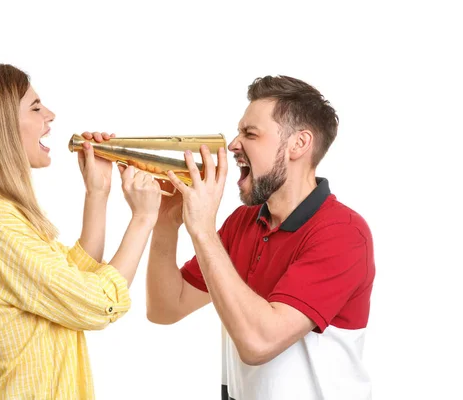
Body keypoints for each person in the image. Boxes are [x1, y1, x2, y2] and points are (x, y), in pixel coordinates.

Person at [0, 62, 162, 399]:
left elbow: (67, 287)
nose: (50, 115)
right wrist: (143, 219)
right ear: (0, 126)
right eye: (36, 107)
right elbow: (96, 303)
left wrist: (97, 193)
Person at [146, 75, 375, 400]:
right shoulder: (242, 222)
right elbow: (165, 308)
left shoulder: (343, 233)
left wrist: (203, 230)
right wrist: (166, 224)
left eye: (250, 134)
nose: (233, 144)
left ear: (299, 144)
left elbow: (259, 344)